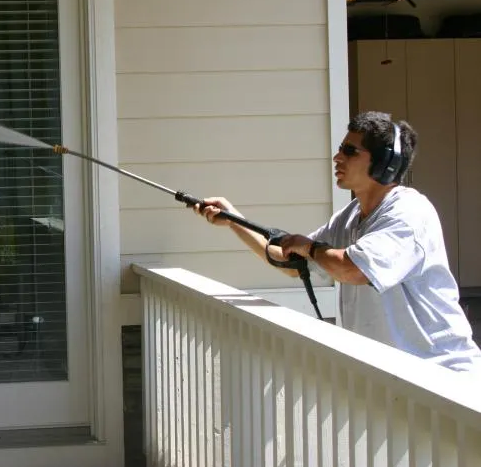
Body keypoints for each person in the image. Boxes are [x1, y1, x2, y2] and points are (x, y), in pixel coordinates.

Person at [193, 111, 481, 375]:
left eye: (349, 150)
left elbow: (353, 270)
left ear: (384, 163)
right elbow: (290, 260)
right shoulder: (349, 217)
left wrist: (311, 247)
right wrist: (233, 219)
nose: (337, 158)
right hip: (398, 380)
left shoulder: (409, 213)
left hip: (445, 377)